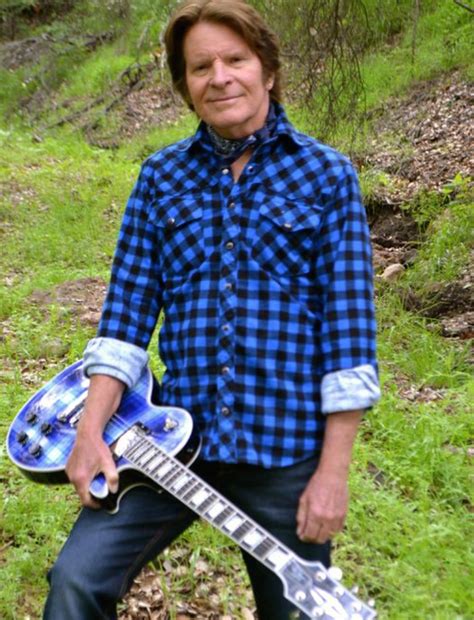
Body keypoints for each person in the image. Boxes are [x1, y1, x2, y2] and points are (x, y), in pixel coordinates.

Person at [43, 1, 380, 618]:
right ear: (186, 87)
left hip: (286, 455)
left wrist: (333, 474)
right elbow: (123, 322)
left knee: (300, 613)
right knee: (75, 581)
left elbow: (351, 341)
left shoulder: (328, 176)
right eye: (200, 67)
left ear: (268, 71)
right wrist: (91, 431)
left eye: (235, 60)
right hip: (172, 446)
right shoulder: (160, 178)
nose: (219, 76)